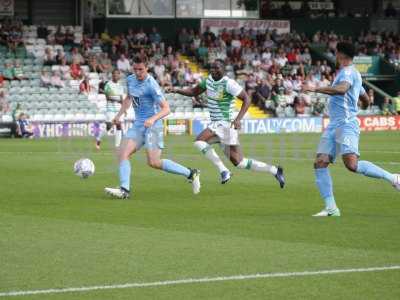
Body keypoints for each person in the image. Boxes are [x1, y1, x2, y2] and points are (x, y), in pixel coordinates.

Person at [302, 42, 400, 217]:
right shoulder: (350, 73)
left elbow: (342, 90)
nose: (335, 55)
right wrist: (361, 104)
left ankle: (393, 178)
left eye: (336, 53)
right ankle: (331, 208)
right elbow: (364, 98)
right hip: (334, 125)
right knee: (320, 162)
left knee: (352, 164)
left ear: (340, 54)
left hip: (346, 124)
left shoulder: (347, 72)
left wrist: (314, 88)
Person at [166, 59, 285, 187]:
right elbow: (193, 92)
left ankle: (224, 170)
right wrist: (175, 90)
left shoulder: (229, 83)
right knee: (239, 162)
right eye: (212, 67)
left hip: (225, 124)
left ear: (223, 69)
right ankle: (274, 170)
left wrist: (238, 119)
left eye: (217, 68)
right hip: (218, 125)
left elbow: (246, 99)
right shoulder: (208, 81)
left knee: (199, 141)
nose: (214, 70)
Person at [104, 56, 201, 199]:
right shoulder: (130, 80)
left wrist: (152, 119)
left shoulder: (151, 85)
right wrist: (119, 115)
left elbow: (166, 109)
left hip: (153, 126)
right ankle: (124, 190)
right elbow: (128, 98)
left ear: (147, 68)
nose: (138, 72)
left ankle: (191, 173)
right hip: (138, 125)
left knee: (153, 162)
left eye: (141, 70)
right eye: (135, 69)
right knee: (122, 153)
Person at [96, 69, 124, 150]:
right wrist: (118, 100)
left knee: (119, 126)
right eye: (114, 74)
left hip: (118, 109)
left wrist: (123, 109)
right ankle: (98, 139)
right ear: (112, 75)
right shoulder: (108, 84)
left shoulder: (120, 86)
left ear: (119, 76)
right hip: (110, 109)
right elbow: (108, 97)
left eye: (117, 74)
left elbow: (122, 98)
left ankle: (117, 146)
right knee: (109, 127)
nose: (115, 76)